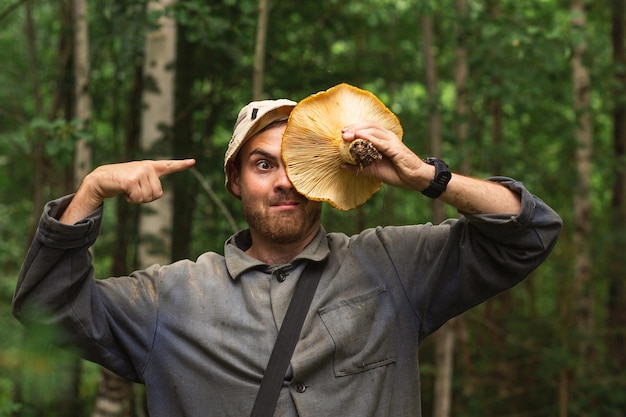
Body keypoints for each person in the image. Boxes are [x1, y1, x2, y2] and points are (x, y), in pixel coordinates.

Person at [13, 97, 562, 417]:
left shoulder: (392, 266)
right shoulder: (169, 298)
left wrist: (428, 177)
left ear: (327, 174)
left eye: (299, 163)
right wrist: (88, 194)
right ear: (235, 180)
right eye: (263, 164)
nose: (285, 182)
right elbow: (45, 307)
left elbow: (527, 233)